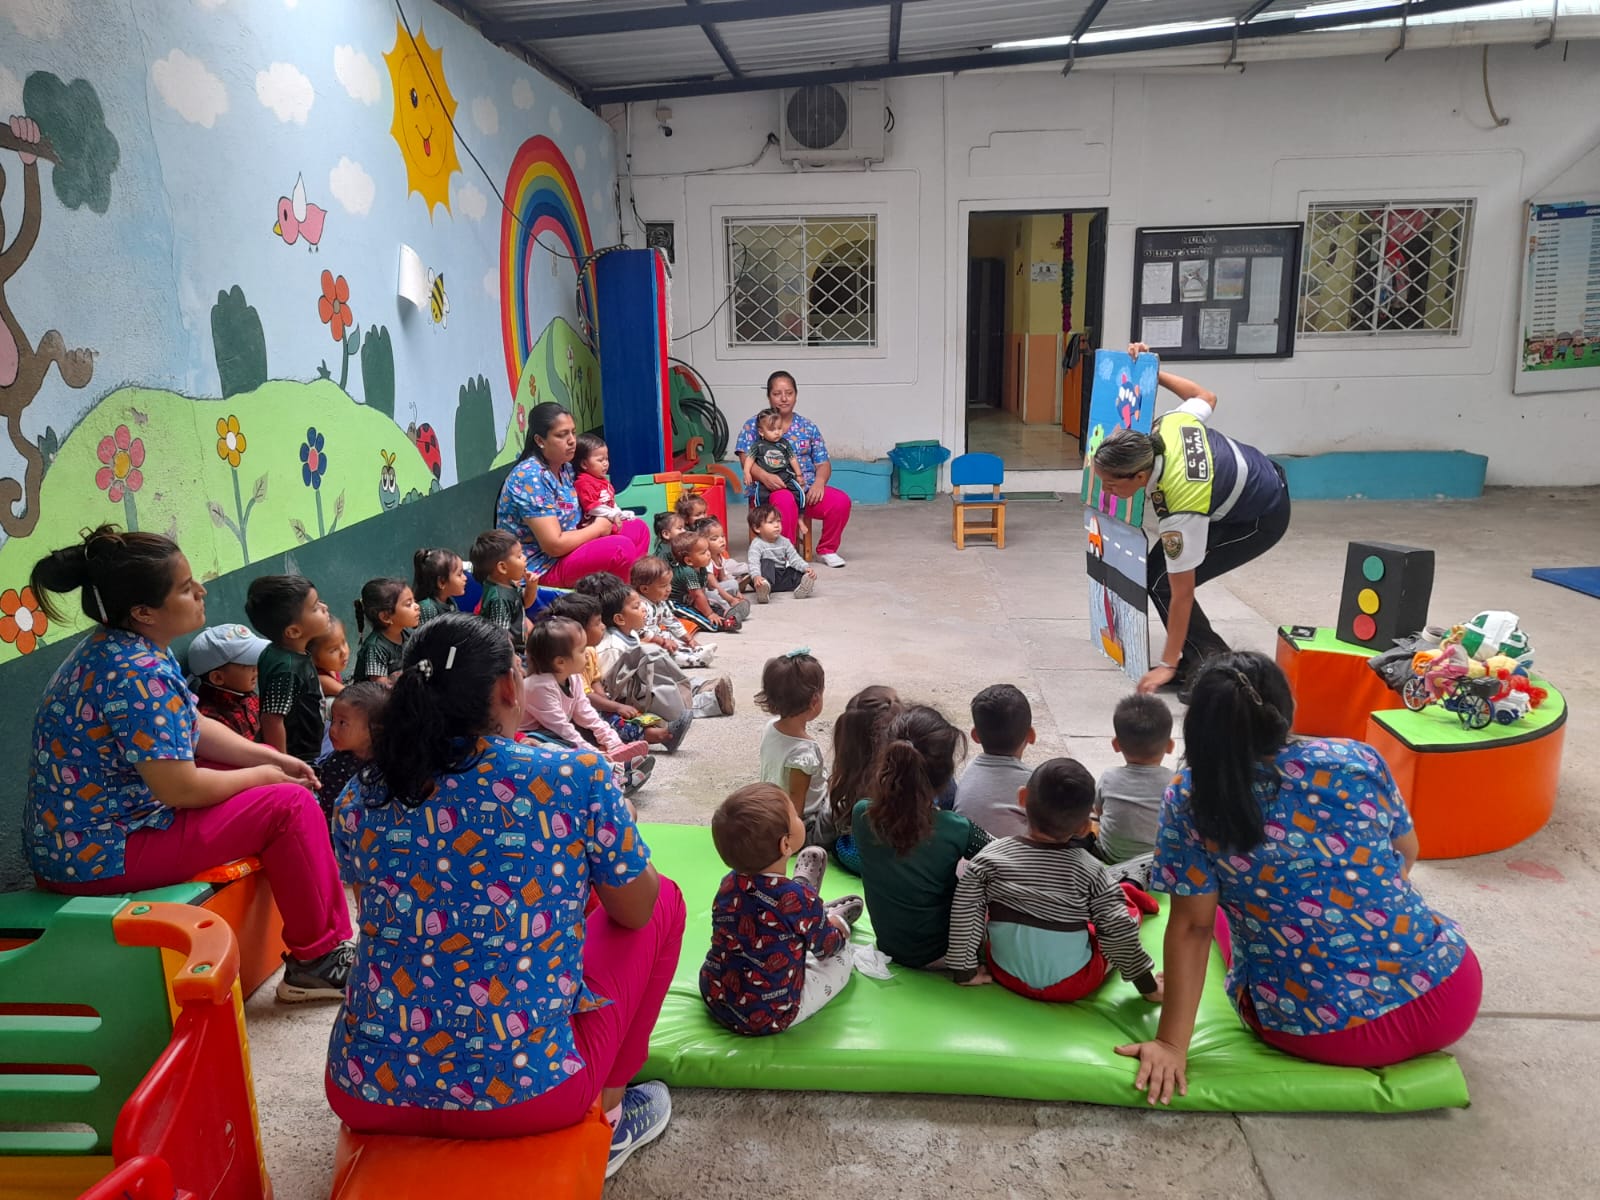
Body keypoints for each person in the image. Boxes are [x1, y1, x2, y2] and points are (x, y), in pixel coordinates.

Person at [325, 614, 685, 1178]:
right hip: (529, 1093)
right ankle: (612, 1114)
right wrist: (616, 834)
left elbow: (381, 907)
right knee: (663, 899)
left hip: (365, 1087)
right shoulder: (574, 775)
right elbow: (634, 909)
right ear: (507, 689)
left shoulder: (359, 792)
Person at [1117, 653, 1481, 1105]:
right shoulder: (1355, 757)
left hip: (1325, 1030)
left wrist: (1171, 1045)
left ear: (1198, 726)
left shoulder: (1190, 796)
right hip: (1451, 994)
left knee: (1215, 913)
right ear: (1287, 708)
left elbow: (1194, 927)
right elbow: (1407, 853)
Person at [23, 526, 354, 1003]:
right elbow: (180, 789)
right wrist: (266, 776)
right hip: (101, 854)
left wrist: (270, 756)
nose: (201, 591)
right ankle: (318, 962)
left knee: (272, 785)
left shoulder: (117, 648)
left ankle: (317, 950)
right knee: (289, 806)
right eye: (184, 587)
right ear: (143, 612)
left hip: (84, 843)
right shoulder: (137, 672)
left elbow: (192, 726)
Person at [1091, 344, 1291, 699]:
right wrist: (1153, 373)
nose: (1106, 490)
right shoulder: (1168, 425)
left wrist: (1166, 664)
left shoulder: (1179, 505)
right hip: (1252, 479)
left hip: (1260, 515)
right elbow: (1206, 396)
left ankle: (1211, 664)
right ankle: (1199, 653)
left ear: (1140, 477)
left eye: (1111, 485)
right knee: (1157, 577)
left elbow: (1183, 591)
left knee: (1165, 584)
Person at [947, 758, 1163, 1004]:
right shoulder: (1092, 872)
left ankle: (1124, 890)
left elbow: (965, 910)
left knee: (990, 912)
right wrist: (1150, 988)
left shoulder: (990, 857)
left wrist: (965, 971)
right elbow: (1119, 934)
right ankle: (1129, 891)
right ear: (1085, 827)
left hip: (1005, 972)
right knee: (1123, 917)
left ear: (1022, 798)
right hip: (1073, 983)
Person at [699, 783, 862, 1036]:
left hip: (717, 995)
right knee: (841, 962)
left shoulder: (728, 884)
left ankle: (810, 911)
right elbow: (826, 949)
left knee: (783, 918)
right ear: (786, 844)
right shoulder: (795, 900)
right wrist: (841, 932)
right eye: (795, 816)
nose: (799, 817)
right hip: (771, 1014)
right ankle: (823, 916)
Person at [850, 706, 990, 969]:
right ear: (947, 776)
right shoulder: (956, 829)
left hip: (889, 944)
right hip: (941, 952)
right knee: (975, 875)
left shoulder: (862, 814)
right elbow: (1006, 857)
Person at [496, 402, 650, 587]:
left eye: (573, 432)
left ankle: (633, 592)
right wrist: (598, 528)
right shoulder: (530, 477)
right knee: (620, 549)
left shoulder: (565, 468)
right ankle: (619, 599)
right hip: (540, 568)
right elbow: (554, 546)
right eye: (562, 435)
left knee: (638, 529)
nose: (571, 441)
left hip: (572, 546)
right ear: (540, 440)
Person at [736, 371, 853, 568]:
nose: (784, 398)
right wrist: (764, 476)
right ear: (769, 396)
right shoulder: (754, 425)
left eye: (789, 393)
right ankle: (785, 555)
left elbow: (823, 463)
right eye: (777, 394)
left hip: (804, 490)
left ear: (796, 395)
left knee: (840, 502)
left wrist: (819, 483)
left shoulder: (807, 427)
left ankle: (827, 549)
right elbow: (745, 458)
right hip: (769, 492)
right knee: (785, 499)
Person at [543, 591, 678, 752]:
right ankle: (658, 736)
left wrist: (606, 700)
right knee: (611, 719)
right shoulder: (571, 662)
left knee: (623, 712)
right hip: (572, 715)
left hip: (588, 706)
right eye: (597, 623)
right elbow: (585, 697)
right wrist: (613, 706)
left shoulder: (589, 651)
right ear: (578, 631)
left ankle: (646, 733)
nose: (603, 626)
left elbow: (595, 680)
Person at [521, 616, 650, 774]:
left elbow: (586, 713)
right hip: (533, 738)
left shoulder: (574, 678)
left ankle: (614, 762)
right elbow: (562, 728)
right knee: (562, 750)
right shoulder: (539, 686)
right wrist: (593, 753)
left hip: (556, 732)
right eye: (582, 650)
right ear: (560, 662)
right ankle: (612, 771)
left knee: (589, 732)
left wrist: (613, 741)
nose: (587, 655)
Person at [247, 574, 334, 764]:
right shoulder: (286, 670)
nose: (325, 607)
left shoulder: (281, 651)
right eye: (315, 607)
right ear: (294, 631)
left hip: (313, 736)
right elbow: (272, 719)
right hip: (302, 755)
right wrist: (284, 764)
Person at [825, 685, 902, 873]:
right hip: (918, 864)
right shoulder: (919, 766)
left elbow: (856, 853)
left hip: (868, 863)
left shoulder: (856, 779)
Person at [755, 650, 829, 846]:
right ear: (814, 701)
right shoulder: (804, 752)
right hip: (805, 822)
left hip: (772, 808)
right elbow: (797, 800)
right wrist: (790, 840)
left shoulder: (771, 727)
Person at [1095, 693, 1175, 864]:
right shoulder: (1175, 782)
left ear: (1116, 744)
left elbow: (1099, 811)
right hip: (1159, 862)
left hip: (1111, 859)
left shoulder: (1109, 777)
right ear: (1170, 746)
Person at [952, 684, 1036, 839]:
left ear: (975, 736)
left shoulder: (969, 771)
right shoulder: (1036, 782)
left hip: (968, 853)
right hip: (1014, 854)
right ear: (1031, 735)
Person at [314, 680, 387, 820]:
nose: (332, 729)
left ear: (373, 729)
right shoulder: (335, 765)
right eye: (333, 720)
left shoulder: (391, 763)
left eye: (342, 723)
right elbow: (330, 814)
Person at [189, 623, 270, 742]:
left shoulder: (245, 693)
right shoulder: (212, 718)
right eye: (247, 665)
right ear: (217, 678)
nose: (256, 669)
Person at [631, 556, 715, 668]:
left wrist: (688, 639)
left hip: (658, 637)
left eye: (669, 584)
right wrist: (662, 642)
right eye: (663, 586)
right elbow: (640, 631)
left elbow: (672, 621)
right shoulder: (639, 607)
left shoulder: (660, 602)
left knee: (670, 636)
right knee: (664, 653)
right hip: (643, 644)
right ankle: (695, 660)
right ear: (645, 589)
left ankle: (694, 650)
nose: (669, 589)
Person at [470, 530, 537, 657]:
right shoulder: (499, 599)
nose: (525, 558)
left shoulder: (508, 584)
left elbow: (525, 603)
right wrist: (513, 661)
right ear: (503, 567)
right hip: (509, 655)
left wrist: (531, 587)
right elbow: (500, 638)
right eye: (519, 556)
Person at [669, 530, 741, 633]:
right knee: (696, 616)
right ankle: (721, 625)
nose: (708, 554)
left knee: (708, 607)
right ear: (689, 560)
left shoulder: (702, 568)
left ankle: (725, 614)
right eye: (703, 553)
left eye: (707, 550)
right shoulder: (688, 572)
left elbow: (702, 593)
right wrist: (709, 614)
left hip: (690, 601)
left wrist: (709, 609)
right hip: (676, 604)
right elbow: (698, 595)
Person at [351, 578, 420, 681]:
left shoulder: (408, 633)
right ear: (386, 617)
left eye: (415, 601)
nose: (417, 606)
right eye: (408, 604)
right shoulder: (375, 647)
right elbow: (380, 686)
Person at [745, 503, 817, 600]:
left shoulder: (785, 542)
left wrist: (806, 568)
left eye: (778, 521)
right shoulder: (756, 544)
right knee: (765, 563)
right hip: (764, 578)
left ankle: (803, 587)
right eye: (771, 522)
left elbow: (795, 558)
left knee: (796, 571)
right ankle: (763, 590)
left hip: (781, 575)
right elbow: (753, 563)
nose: (776, 525)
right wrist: (756, 576)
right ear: (757, 528)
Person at [744, 407, 808, 512]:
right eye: (772, 430)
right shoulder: (758, 446)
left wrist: (799, 475)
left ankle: (800, 514)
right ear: (761, 432)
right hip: (765, 479)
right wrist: (747, 473)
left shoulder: (784, 443)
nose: (777, 432)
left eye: (779, 428)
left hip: (784, 474)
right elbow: (750, 459)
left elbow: (792, 458)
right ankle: (763, 516)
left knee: (798, 492)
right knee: (761, 497)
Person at [573, 433, 628, 527]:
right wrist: (612, 514)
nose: (605, 463)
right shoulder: (583, 483)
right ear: (584, 464)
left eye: (606, 459)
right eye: (600, 460)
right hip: (596, 527)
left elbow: (611, 502)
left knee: (639, 525)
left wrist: (620, 514)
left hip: (610, 522)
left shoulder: (602, 480)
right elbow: (592, 507)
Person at [413, 547, 467, 624]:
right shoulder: (428, 608)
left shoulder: (450, 602)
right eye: (459, 574)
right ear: (441, 582)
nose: (465, 578)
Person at [309, 618, 349, 716]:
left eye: (344, 642)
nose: (344, 652)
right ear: (313, 658)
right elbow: (351, 694)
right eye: (333, 650)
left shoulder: (331, 667)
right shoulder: (321, 679)